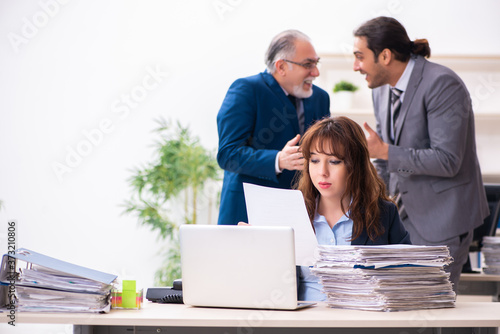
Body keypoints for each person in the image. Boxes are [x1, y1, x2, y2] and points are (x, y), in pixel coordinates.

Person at [352, 16, 489, 290]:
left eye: (360, 56)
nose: (355, 66)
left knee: (432, 309)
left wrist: (386, 151)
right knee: (401, 307)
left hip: (442, 222)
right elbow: (386, 159)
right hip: (401, 220)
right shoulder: (380, 90)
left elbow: (447, 160)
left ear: (386, 56)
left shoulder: (442, 83)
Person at [216, 30, 330, 225]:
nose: (316, 72)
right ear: (282, 66)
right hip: (247, 213)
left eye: (316, 63)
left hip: (302, 213)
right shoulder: (246, 90)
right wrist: (278, 160)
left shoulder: (320, 98)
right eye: (308, 64)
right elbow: (228, 154)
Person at [294, 116, 411, 301]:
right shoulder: (293, 213)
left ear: (355, 165)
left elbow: (409, 278)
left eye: (334, 161)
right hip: (301, 324)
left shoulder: (384, 214)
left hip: (362, 322)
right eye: (314, 160)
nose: (322, 171)